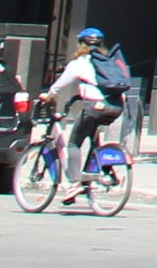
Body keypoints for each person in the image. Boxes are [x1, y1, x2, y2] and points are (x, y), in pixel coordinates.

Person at [43, 27, 130, 200]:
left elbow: (61, 84)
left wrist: (49, 94)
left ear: (80, 43)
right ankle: (105, 171)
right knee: (92, 136)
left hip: (94, 106)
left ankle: (74, 184)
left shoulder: (80, 62)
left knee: (74, 143)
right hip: (116, 106)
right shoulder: (108, 61)